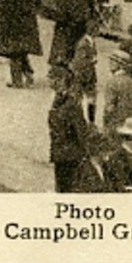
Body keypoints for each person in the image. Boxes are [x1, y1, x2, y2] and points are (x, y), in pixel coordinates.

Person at [0, 0, 43, 88]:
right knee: (22, 52)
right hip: (28, 28)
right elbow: (38, 5)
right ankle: (29, 75)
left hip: (13, 28)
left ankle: (17, 81)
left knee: (14, 55)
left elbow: (0, 7)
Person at [48, 65, 93, 193]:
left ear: (60, 80)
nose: (48, 81)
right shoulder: (57, 99)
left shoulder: (71, 103)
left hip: (70, 155)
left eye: (51, 78)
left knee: (68, 189)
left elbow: (81, 130)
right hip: (60, 154)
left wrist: (86, 152)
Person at [49, 0, 96, 69]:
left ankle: (63, 75)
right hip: (72, 28)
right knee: (67, 53)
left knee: (67, 54)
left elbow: (72, 13)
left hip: (71, 29)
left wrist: (57, 16)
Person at [100, 48, 132, 135]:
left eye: (113, 61)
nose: (110, 64)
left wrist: (105, 127)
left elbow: (109, 108)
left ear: (120, 65)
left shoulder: (112, 83)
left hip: (115, 127)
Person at [71, 33, 99, 124]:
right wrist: (91, 61)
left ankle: (91, 121)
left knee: (92, 99)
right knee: (80, 99)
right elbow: (79, 61)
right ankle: (80, 121)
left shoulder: (91, 41)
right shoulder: (83, 43)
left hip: (89, 74)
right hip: (83, 75)